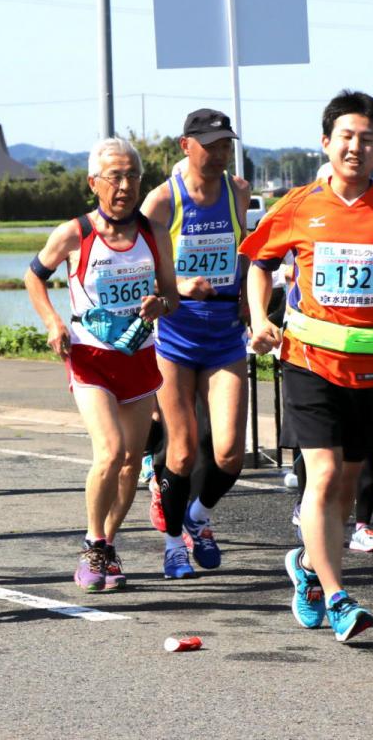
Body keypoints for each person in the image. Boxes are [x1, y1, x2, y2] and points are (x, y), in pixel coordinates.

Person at [241, 90, 373, 642]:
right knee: (322, 475)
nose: (356, 147)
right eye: (346, 137)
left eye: (367, 139)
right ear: (326, 143)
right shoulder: (300, 205)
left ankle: (305, 565)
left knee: (348, 486)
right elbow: (258, 262)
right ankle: (338, 595)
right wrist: (259, 318)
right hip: (307, 360)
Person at [25, 137, 179, 593]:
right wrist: (53, 320)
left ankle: (107, 546)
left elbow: (170, 295)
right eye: (115, 176)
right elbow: (33, 276)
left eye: (133, 175)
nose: (125, 185)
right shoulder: (75, 232)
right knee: (110, 452)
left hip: (138, 355)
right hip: (90, 357)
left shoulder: (152, 232)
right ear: (94, 182)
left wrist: (159, 304)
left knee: (133, 461)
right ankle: (92, 543)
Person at [139, 109, 252, 577]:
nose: (221, 152)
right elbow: (134, 263)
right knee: (182, 452)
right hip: (177, 333)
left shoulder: (239, 192)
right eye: (211, 144)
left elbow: (252, 255)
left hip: (225, 332)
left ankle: (198, 519)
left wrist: (250, 299)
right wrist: (179, 284)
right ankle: (172, 546)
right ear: (186, 145)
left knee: (229, 454)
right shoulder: (163, 200)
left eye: (226, 143)